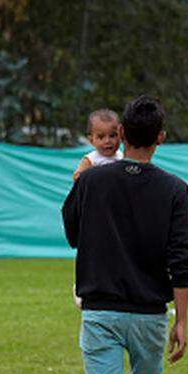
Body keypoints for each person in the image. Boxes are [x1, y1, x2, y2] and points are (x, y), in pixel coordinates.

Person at [61, 94, 188, 374]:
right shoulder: (176, 190)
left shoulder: (90, 181)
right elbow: (182, 260)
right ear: (161, 137)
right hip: (151, 313)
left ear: (121, 134)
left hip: (100, 311)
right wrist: (182, 320)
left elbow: (72, 234)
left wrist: (79, 183)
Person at [70, 108, 123, 308]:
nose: (108, 141)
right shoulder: (91, 160)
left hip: (117, 216)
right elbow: (78, 178)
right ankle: (82, 287)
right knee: (94, 254)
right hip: (96, 217)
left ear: (121, 134)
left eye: (113, 135)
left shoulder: (122, 158)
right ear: (91, 139)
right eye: (101, 137)